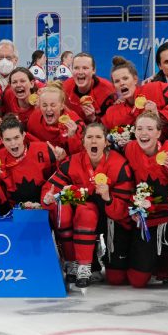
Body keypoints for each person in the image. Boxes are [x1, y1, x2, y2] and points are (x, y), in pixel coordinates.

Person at [41, 123, 134, 290]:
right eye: (89, 137)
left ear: (106, 142)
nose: (94, 141)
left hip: (112, 220)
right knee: (75, 208)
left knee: (116, 278)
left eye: (98, 137)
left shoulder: (119, 164)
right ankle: (77, 264)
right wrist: (47, 199)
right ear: (83, 142)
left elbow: (124, 210)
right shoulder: (73, 162)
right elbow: (51, 188)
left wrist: (108, 198)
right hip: (84, 219)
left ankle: (100, 258)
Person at [119, 111, 168, 287]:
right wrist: (133, 208)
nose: (144, 133)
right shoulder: (129, 149)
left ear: (158, 133)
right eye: (140, 128)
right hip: (146, 220)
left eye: (150, 129)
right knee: (136, 280)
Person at [103, 56, 168, 148]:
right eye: (117, 81)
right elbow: (102, 133)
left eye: (125, 78)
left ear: (135, 79)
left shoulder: (155, 88)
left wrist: (159, 115)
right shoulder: (113, 112)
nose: (121, 83)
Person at [0, 114, 58, 211]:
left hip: (45, 208)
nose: (13, 143)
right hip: (13, 213)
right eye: (8, 139)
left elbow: (59, 177)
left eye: (16, 137)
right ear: (2, 140)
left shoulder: (43, 149)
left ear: (23, 135)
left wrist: (61, 159)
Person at [26, 83, 84, 158]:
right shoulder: (34, 119)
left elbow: (82, 156)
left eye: (53, 105)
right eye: (44, 105)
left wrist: (72, 138)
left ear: (62, 105)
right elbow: (30, 146)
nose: (48, 109)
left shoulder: (75, 123)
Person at [61, 52, 116, 122]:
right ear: (71, 70)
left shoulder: (108, 91)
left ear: (93, 70)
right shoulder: (65, 88)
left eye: (85, 68)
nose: (80, 72)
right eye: (76, 68)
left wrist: (93, 118)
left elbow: (111, 125)